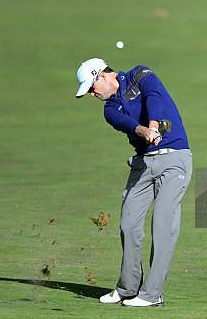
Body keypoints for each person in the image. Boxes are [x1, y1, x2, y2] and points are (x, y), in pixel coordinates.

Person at [75, 58, 193, 307]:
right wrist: (144, 131)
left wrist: (154, 125)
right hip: (142, 165)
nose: (92, 94)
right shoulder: (109, 110)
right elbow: (127, 124)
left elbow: (155, 96)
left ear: (103, 76)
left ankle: (152, 294)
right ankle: (128, 288)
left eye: (92, 87)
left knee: (162, 224)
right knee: (128, 224)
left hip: (174, 159)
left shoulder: (139, 74)